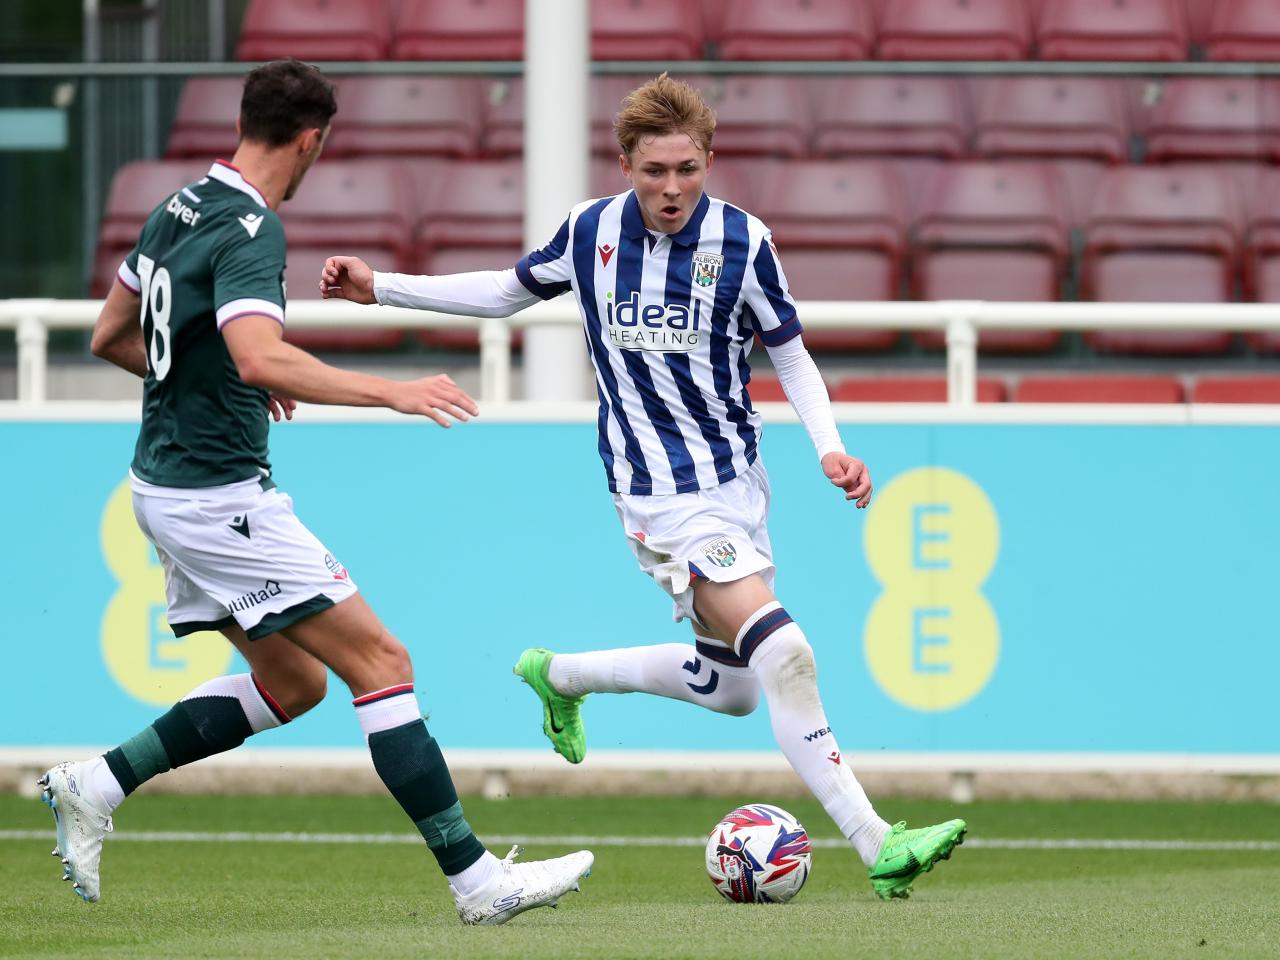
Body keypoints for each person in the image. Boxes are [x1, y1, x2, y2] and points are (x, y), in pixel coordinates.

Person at [320, 73, 964, 900]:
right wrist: (382, 287)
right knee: (787, 652)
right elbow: (505, 292)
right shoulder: (591, 233)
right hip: (657, 494)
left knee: (734, 688)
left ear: (707, 161)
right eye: (654, 170)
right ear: (625, 163)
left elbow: (791, 352)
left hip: (737, 482)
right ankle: (878, 840)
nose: (670, 188)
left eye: (687, 170)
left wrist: (829, 448)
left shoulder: (744, 240)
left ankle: (563, 676)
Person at [39, 58, 592, 925]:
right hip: (220, 498)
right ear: (310, 140)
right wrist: (394, 391)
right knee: (384, 664)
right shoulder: (253, 228)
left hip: (164, 484)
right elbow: (260, 354)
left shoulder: (178, 206)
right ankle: (477, 882)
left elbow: (112, 334)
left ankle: (95, 783)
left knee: (294, 685)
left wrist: (219, 382)